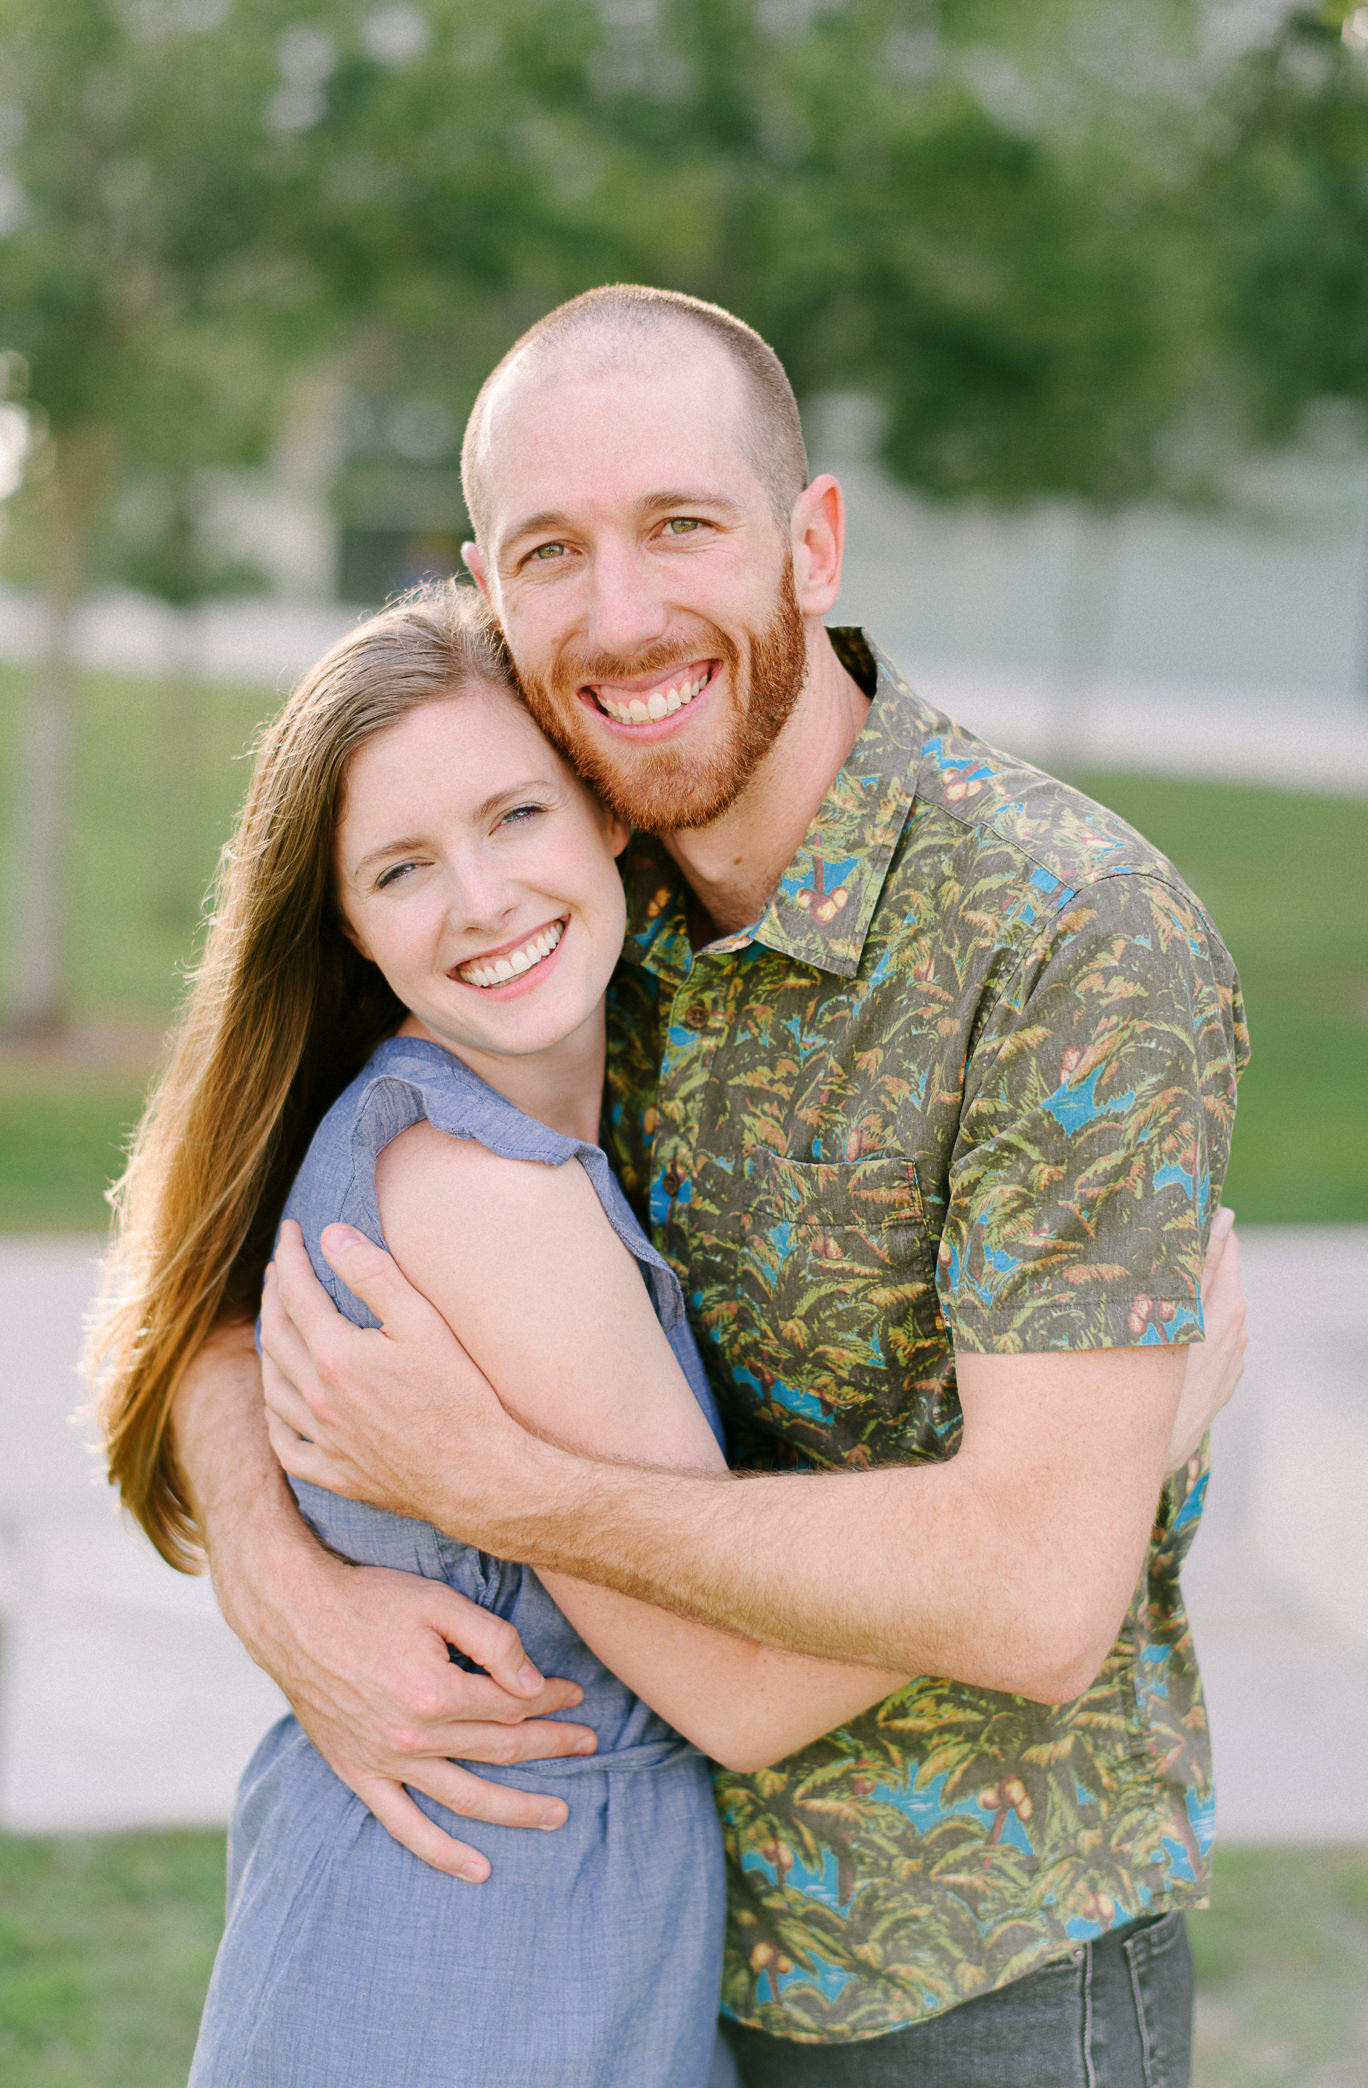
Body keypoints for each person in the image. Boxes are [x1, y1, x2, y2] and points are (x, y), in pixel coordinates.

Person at [164, 287, 1248, 2085]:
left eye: (684, 526)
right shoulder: (549, 883)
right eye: (553, 552)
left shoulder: (1066, 939)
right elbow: (214, 1248)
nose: (625, 609)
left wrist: (495, 1487)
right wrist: (284, 1584)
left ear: (809, 543)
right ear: (491, 594)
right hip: (622, 1957)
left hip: (969, 1984)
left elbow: (1044, 1596)